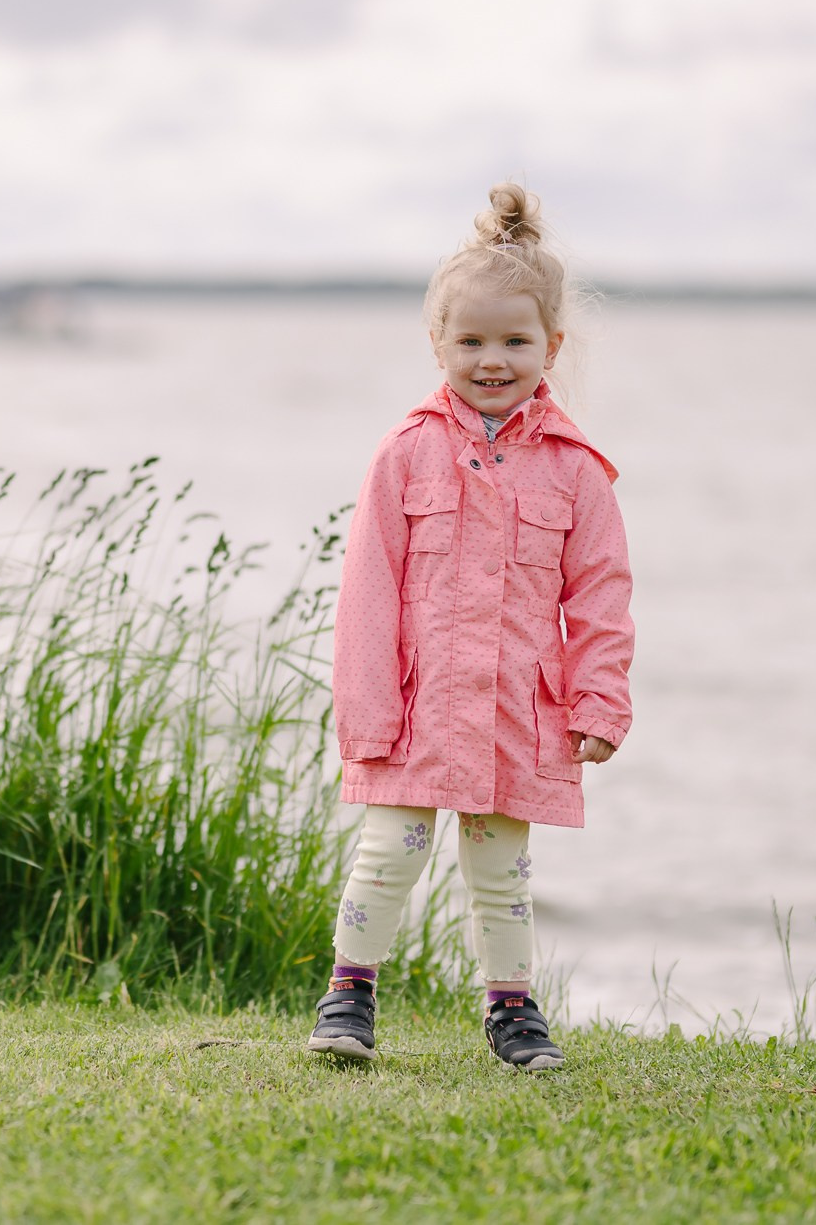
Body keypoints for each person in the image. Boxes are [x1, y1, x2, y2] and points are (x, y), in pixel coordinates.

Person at [307, 182, 634, 1071]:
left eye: (516, 341)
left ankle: (511, 1009)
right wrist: (367, 712)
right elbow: (368, 586)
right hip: (416, 708)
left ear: (551, 345)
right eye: (473, 340)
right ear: (439, 342)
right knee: (387, 853)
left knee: (501, 875)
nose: (494, 359)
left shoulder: (576, 472)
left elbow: (599, 593)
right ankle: (350, 992)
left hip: (512, 712)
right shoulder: (406, 450)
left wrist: (599, 703)